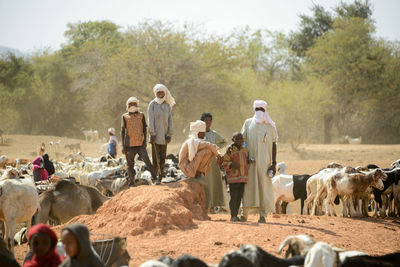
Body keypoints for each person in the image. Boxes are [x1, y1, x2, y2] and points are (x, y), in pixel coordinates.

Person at [240, 100, 278, 223]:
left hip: (265, 163)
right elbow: (243, 139)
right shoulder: (248, 123)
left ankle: (262, 215)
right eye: (257, 109)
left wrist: (273, 163)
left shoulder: (270, 126)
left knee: (263, 188)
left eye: (261, 109)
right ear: (254, 110)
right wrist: (245, 154)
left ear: (265, 110)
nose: (259, 112)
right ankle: (244, 214)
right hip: (250, 162)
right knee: (248, 187)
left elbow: (274, 144)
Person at [121, 97, 159, 186]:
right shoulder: (125, 116)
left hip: (140, 144)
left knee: (147, 161)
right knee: (130, 165)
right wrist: (123, 146)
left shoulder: (141, 115)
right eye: (131, 104)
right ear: (128, 106)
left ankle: (155, 178)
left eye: (134, 104)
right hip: (129, 145)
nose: (133, 106)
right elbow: (123, 131)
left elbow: (144, 129)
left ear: (137, 105)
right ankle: (131, 182)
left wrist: (145, 141)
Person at [148, 84, 174, 182]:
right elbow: (150, 120)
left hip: (164, 136)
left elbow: (170, 120)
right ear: (156, 93)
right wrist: (152, 133)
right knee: (155, 158)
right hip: (155, 136)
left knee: (163, 157)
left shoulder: (167, 105)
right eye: (158, 92)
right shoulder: (152, 104)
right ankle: (154, 177)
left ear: (164, 93)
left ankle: (161, 176)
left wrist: (169, 134)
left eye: (162, 92)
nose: (160, 94)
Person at [200, 112, 226, 211]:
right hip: (202, 162)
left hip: (213, 162)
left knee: (213, 183)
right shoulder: (199, 133)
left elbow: (223, 142)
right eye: (206, 120)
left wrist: (216, 150)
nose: (208, 123)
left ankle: (211, 205)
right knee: (204, 183)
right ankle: (204, 205)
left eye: (210, 120)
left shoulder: (213, 134)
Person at [222, 132, 250, 222]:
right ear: (233, 140)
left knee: (239, 197)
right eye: (237, 139)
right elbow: (224, 162)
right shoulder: (229, 150)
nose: (239, 140)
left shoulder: (245, 149)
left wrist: (249, 161)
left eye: (241, 139)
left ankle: (236, 215)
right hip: (233, 178)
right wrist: (231, 164)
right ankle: (233, 215)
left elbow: (246, 160)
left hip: (242, 177)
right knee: (233, 197)